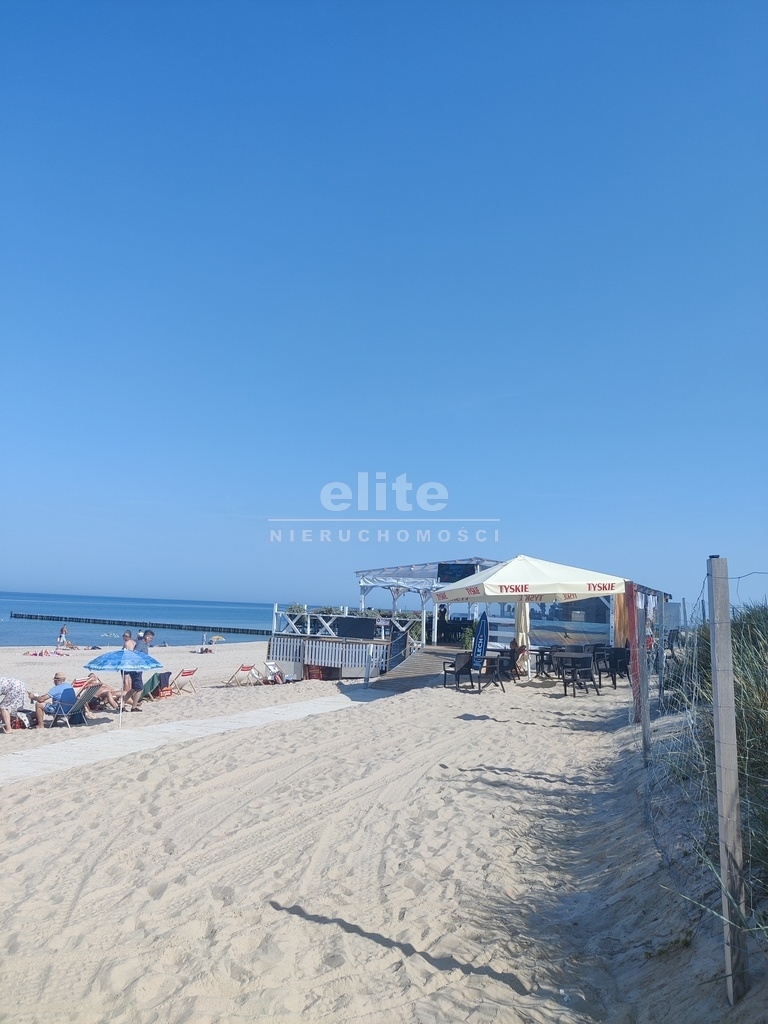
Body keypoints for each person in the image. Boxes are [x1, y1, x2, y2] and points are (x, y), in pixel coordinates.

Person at [123, 629, 155, 711]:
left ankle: (122, 704)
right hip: (136, 669)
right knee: (140, 688)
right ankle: (134, 707)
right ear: (147, 637)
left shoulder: (143, 644)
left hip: (138, 669)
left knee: (134, 689)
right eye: (151, 638)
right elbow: (135, 655)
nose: (151, 640)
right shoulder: (140, 644)